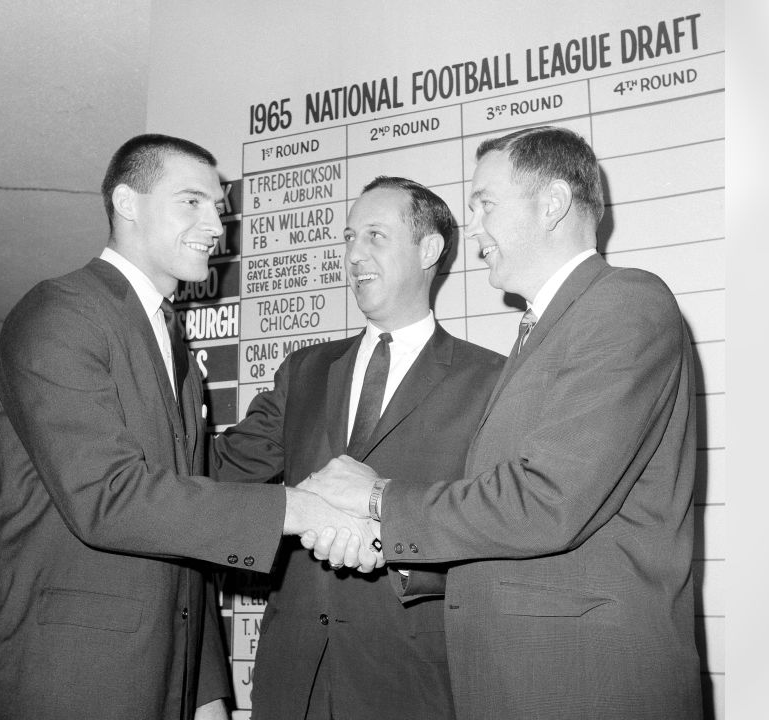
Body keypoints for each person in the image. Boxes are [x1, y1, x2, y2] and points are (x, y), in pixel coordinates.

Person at [301, 126, 704, 719]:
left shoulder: (624, 302)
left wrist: (378, 501)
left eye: (486, 203)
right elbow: (522, 533)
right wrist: (395, 549)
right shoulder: (542, 332)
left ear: (553, 205)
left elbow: (547, 502)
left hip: (587, 688)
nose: (475, 226)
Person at [0, 134, 381, 720]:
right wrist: (298, 510)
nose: (215, 224)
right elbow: (108, 498)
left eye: (218, 207)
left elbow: (186, 510)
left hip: (166, 677)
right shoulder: (59, 313)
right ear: (127, 203)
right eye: (191, 202)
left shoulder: (169, 341)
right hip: (68, 676)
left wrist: (205, 691)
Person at [211, 177, 504, 720]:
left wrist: (391, 550)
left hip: (410, 686)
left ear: (430, 249)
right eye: (348, 237)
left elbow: (498, 529)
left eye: (374, 235)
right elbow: (220, 473)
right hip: (290, 685)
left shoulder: (491, 381)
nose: (353, 254)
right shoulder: (304, 371)